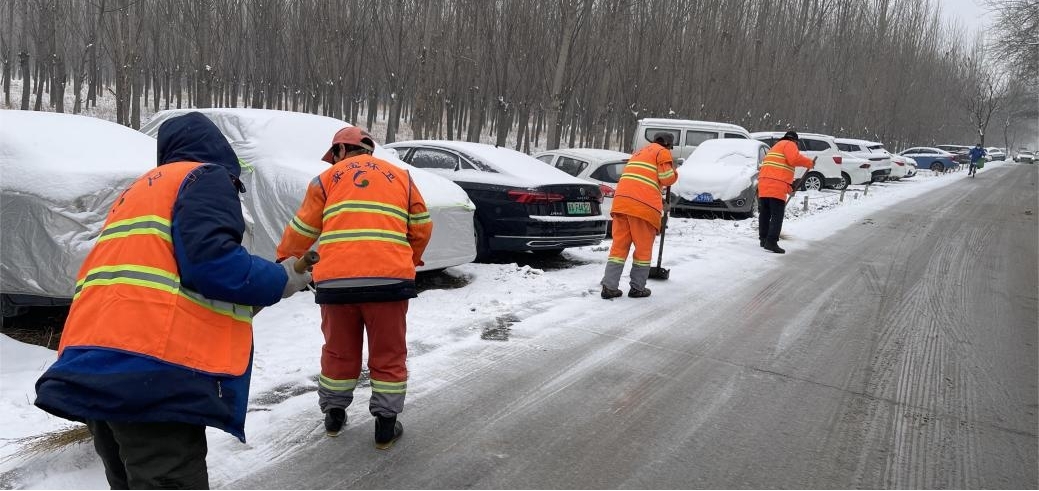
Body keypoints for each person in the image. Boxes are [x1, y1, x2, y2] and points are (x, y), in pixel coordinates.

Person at [34, 112, 313, 489]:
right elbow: (213, 265)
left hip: (94, 362)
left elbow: (166, 279)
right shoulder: (203, 176)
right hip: (151, 371)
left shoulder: (138, 192)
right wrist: (281, 278)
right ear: (221, 153)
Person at [276, 126, 432, 448]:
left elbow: (302, 229)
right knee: (388, 351)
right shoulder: (401, 177)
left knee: (338, 350)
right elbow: (421, 226)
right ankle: (385, 426)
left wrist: (285, 261)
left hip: (336, 284)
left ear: (341, 150)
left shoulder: (325, 180)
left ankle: (334, 416)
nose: (333, 161)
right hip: (389, 282)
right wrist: (409, 259)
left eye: (333, 155)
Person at [600, 133, 678, 299]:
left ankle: (609, 287)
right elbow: (667, 178)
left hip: (621, 204)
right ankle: (637, 288)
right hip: (642, 209)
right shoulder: (662, 152)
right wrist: (674, 170)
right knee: (643, 249)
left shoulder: (639, 153)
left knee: (619, 247)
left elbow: (641, 183)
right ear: (668, 144)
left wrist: (659, 198)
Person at [758, 131, 815, 254]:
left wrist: (789, 189)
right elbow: (794, 159)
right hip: (776, 185)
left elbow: (778, 170)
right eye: (797, 143)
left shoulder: (775, 147)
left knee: (765, 213)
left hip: (764, 183)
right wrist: (809, 163)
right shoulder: (789, 144)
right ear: (795, 140)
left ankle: (763, 239)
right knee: (777, 215)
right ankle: (771, 242)